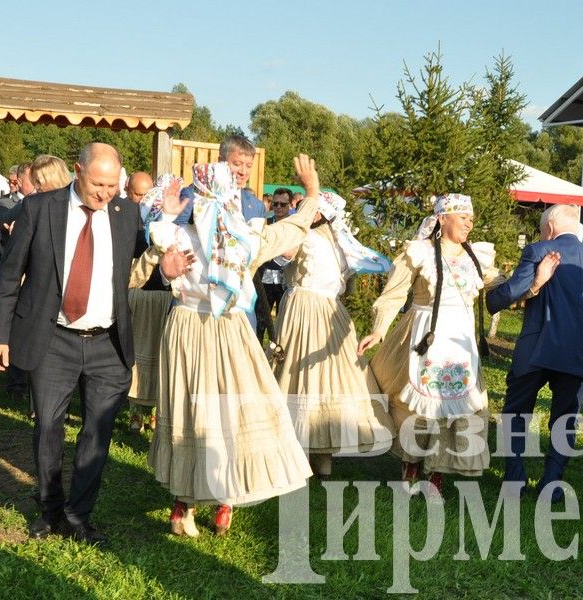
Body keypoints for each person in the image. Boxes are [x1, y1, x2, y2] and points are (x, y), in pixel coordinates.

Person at [133, 155, 318, 537]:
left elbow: (137, 272)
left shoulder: (178, 235)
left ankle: (193, 501)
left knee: (197, 410)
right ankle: (209, 501)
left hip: (199, 328)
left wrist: (164, 226)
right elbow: (295, 227)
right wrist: (311, 191)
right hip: (211, 329)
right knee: (219, 411)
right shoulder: (238, 239)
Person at [0, 143, 160, 545]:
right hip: (53, 339)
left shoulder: (126, 213)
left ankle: (78, 515)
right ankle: (49, 510)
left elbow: (134, 272)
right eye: (98, 184)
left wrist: (160, 265)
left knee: (96, 433)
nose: (105, 193)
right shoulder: (39, 209)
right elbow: (10, 277)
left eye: (113, 185)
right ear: (78, 172)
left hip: (108, 343)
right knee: (48, 426)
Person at [357, 194, 499, 495]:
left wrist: (534, 282)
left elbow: (500, 286)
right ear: (443, 218)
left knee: (452, 408)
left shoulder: (476, 256)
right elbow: (395, 293)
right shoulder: (419, 252)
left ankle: (436, 469)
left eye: (471, 217)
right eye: (463, 216)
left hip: (459, 342)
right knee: (419, 403)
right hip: (426, 335)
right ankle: (411, 463)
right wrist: (379, 330)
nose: (469, 222)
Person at [487, 204, 583, 503]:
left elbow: (511, 292)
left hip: (535, 350)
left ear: (548, 227)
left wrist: (489, 296)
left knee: (516, 413)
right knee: (565, 420)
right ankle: (551, 483)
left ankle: (515, 477)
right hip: (578, 354)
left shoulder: (539, 251)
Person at [273, 190, 394, 477]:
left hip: (305, 308)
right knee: (326, 378)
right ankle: (321, 454)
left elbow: (285, 254)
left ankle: (308, 449)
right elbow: (347, 285)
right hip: (329, 310)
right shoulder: (341, 242)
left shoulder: (306, 236)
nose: (301, 210)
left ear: (320, 213)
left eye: (307, 207)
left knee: (301, 376)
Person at [254, 187, 293, 343]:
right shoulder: (265, 223)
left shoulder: (293, 226)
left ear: (290, 205)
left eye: (282, 204)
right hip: (264, 277)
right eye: (275, 204)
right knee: (260, 320)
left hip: (285, 280)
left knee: (283, 321)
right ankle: (257, 353)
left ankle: (279, 353)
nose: (278, 207)